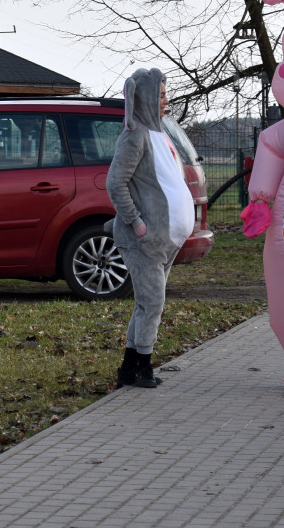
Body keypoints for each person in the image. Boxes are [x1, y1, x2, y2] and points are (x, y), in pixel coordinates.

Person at [106, 68, 195, 388]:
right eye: (159, 95)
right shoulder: (135, 136)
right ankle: (141, 367)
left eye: (165, 94)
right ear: (142, 97)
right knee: (152, 303)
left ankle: (129, 371)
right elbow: (115, 183)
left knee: (146, 304)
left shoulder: (161, 134)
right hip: (144, 240)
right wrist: (136, 222)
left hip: (164, 240)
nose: (165, 100)